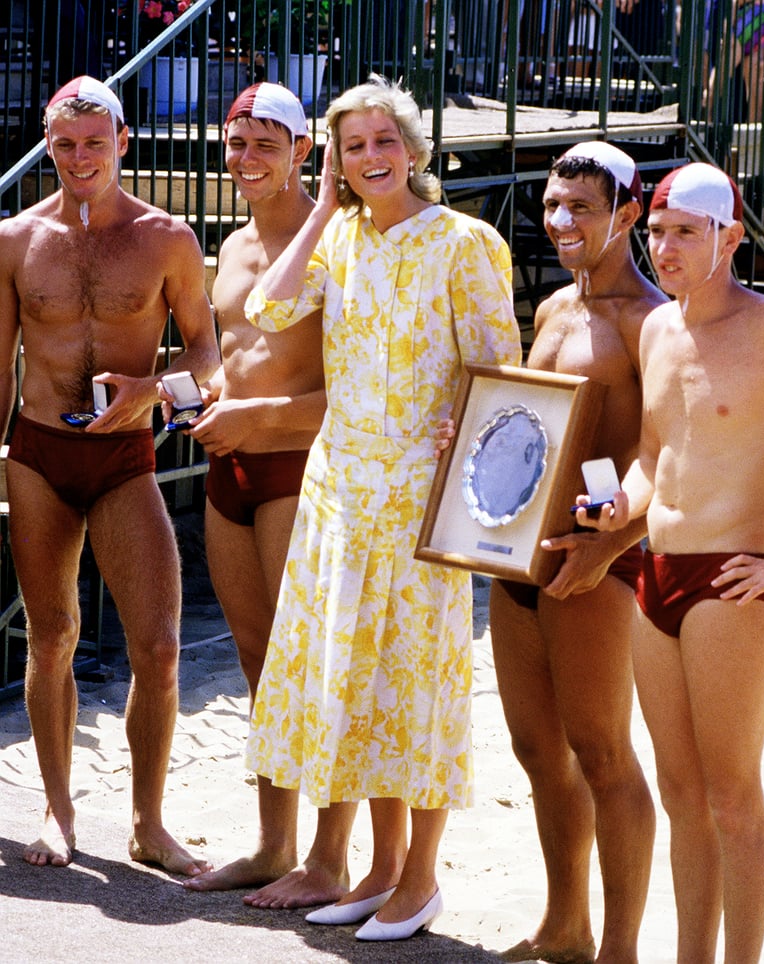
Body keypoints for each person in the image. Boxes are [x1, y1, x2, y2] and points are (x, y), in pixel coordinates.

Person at [243, 74, 522, 941]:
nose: (372, 158)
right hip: (339, 496)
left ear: (413, 149)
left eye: (384, 142)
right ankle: (378, 869)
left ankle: (422, 880)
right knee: (355, 681)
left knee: (416, 685)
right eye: (353, 146)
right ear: (335, 158)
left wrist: (457, 433)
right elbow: (267, 306)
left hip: (418, 501)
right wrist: (323, 209)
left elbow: (502, 373)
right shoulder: (340, 240)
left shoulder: (464, 241)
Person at [438, 141, 661, 963]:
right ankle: (567, 925)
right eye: (553, 206)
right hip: (523, 562)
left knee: (604, 754)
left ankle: (622, 949)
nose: (560, 222)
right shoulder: (555, 310)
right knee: (538, 751)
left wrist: (615, 546)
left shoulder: (652, 321)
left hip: (598, 567)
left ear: (628, 216)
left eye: (582, 209)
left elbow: (666, 455)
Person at [0, 76, 219, 871]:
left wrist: (156, 391)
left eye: (96, 142)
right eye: (65, 143)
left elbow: (209, 357)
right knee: (52, 635)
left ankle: (148, 822)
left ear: (123, 142)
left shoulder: (169, 238)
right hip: (37, 455)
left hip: (126, 458)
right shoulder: (16, 239)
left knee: (158, 648)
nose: (80, 157)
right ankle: (58, 813)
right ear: (48, 145)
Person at [576, 161, 764, 963]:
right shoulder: (658, 329)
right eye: (658, 232)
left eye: (685, 233)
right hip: (655, 578)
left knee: (733, 798)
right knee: (681, 798)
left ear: (730, 238)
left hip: (732, 578)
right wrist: (619, 508)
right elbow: (653, 454)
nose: (664, 248)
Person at [175, 82, 357, 908]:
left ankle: (331, 857)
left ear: (302, 154)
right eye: (236, 142)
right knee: (259, 667)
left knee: (313, 668)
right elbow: (229, 364)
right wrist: (171, 392)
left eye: (264, 146)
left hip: (298, 469)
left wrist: (259, 418)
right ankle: (273, 843)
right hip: (231, 472)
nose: (246, 159)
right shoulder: (234, 243)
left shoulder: (341, 247)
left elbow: (367, 394)